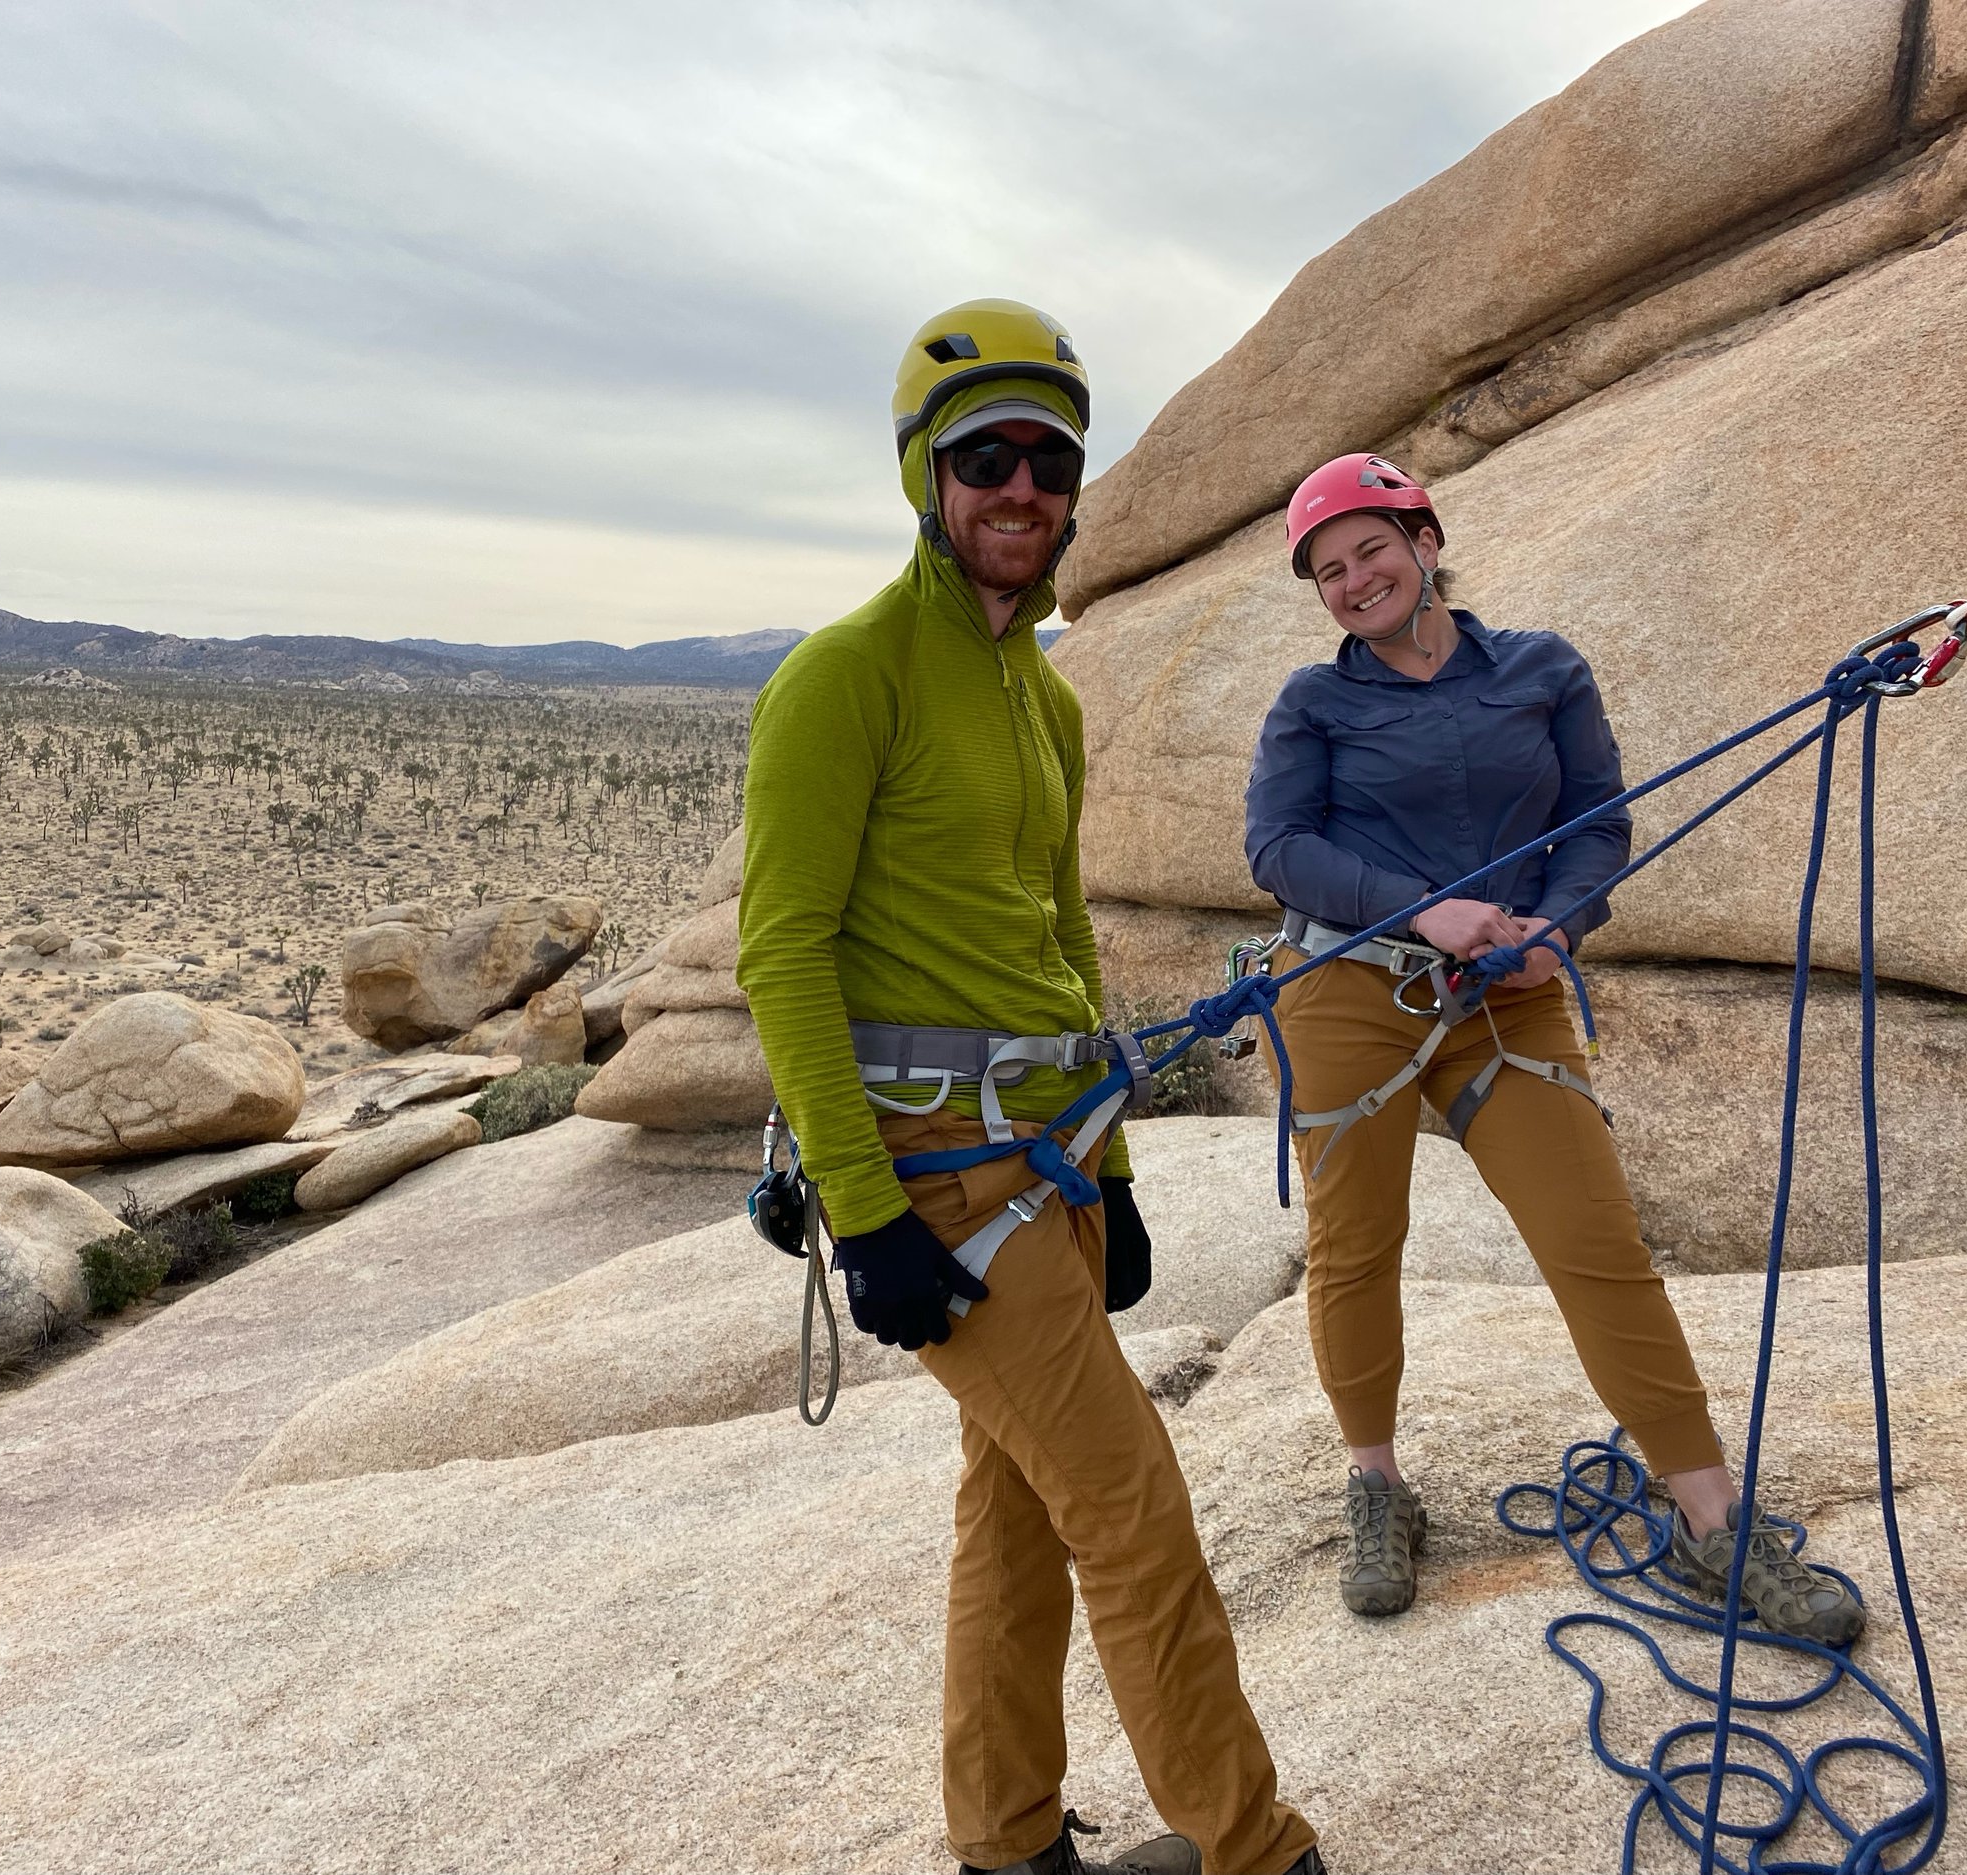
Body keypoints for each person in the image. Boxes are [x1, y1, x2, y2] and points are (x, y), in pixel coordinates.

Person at [737, 299, 1325, 1875]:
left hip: (1048, 1167)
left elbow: (1061, 946)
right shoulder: (845, 675)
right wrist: (867, 1215)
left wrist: (1118, 1182)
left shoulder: (1042, 693)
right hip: (934, 1176)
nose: (1020, 487)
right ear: (927, 473)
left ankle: (1004, 1842)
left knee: (1018, 1518)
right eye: (984, 456)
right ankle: (1258, 1849)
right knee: (1134, 1517)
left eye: (1047, 460)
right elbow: (782, 957)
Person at [1242, 453, 1866, 1644]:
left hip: (1503, 1000)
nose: (1353, 579)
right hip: (1349, 990)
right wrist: (1422, 906)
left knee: (1595, 1242)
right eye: (1328, 571)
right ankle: (1376, 1485)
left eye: (1371, 548)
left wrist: (1558, 930)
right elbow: (1278, 849)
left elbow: (1599, 822)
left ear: (1424, 540)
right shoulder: (1313, 704)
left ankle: (1708, 1523)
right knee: (1358, 1246)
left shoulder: (1541, 668)